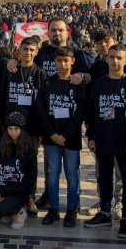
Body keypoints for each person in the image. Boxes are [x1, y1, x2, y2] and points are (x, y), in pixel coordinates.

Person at [84, 44, 126, 239]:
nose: (115, 61)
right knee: (104, 178)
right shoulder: (99, 84)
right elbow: (91, 112)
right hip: (103, 139)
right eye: (111, 57)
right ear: (106, 59)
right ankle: (105, 211)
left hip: (125, 141)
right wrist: (91, 136)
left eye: (119, 58)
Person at [37, 47, 87, 228]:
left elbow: (80, 113)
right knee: (52, 174)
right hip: (52, 137)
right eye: (59, 61)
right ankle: (54, 209)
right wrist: (52, 133)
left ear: (72, 61)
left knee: (72, 175)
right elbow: (41, 109)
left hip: (70, 138)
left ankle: (72, 210)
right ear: (55, 62)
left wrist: (65, 135)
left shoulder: (77, 84)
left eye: (66, 61)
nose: (63, 64)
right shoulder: (48, 82)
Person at [0, 110, 37, 231]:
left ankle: (19, 212)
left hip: (17, 193)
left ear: (22, 129)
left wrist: (3, 192)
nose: (13, 132)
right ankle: (5, 210)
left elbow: (29, 183)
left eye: (16, 129)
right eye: (10, 129)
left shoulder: (29, 151)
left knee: (3, 209)